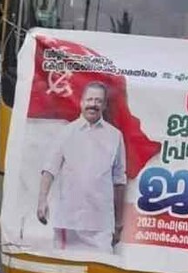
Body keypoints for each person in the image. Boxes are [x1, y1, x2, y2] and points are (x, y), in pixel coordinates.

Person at [36, 82, 127, 253]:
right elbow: (49, 169)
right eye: (90, 99)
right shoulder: (66, 132)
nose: (93, 104)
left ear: (104, 105)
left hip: (101, 224)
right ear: (81, 102)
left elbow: (119, 181)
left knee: (101, 266)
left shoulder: (115, 136)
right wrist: (42, 201)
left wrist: (119, 222)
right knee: (65, 267)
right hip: (68, 222)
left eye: (98, 101)